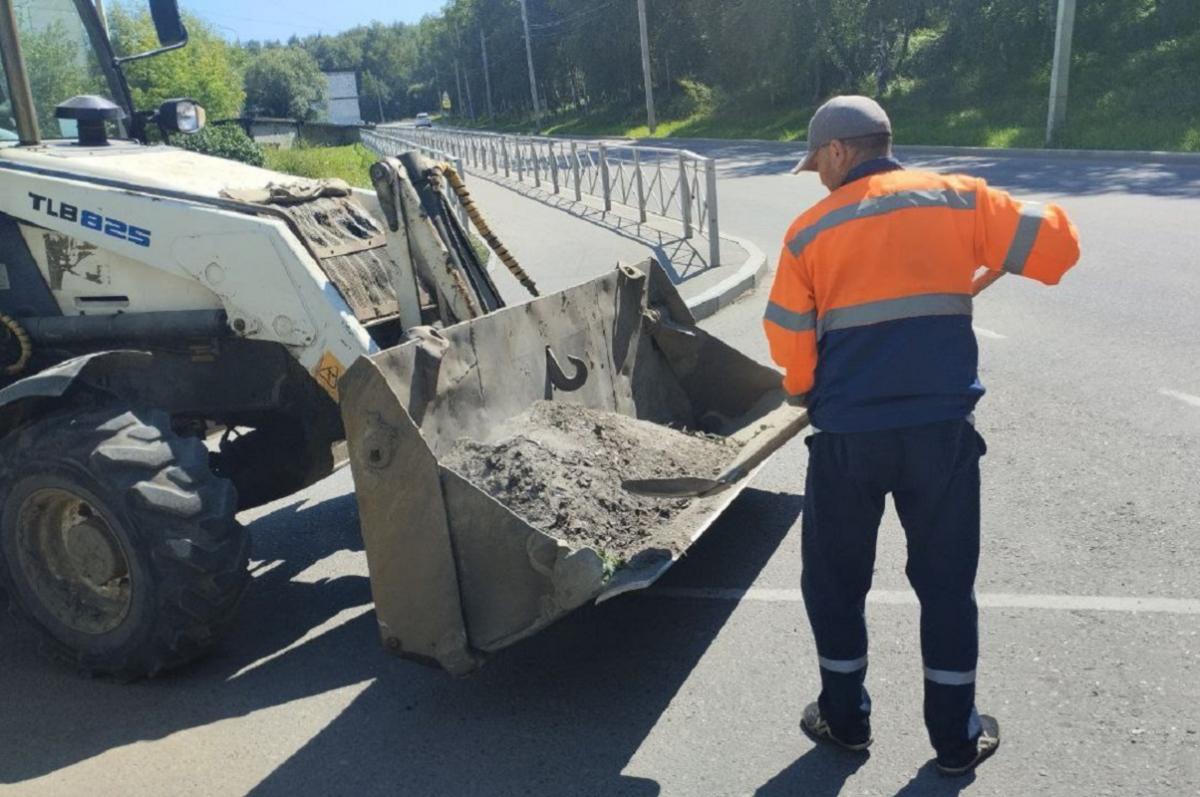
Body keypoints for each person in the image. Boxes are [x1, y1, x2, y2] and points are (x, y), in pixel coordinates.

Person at [763, 95, 1080, 775]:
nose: (818, 173)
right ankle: (955, 740)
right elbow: (1059, 248)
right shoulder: (959, 200)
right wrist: (1002, 233)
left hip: (847, 438)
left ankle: (845, 723)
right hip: (940, 438)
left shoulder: (809, 233)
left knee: (836, 582)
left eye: (819, 161)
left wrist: (801, 388)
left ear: (842, 152)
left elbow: (789, 344)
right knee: (945, 587)